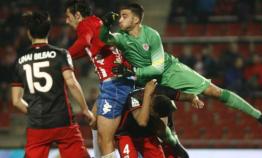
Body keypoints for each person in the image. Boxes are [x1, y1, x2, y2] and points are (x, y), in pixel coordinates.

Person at [100, 3, 262, 131]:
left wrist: (133, 71)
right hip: (148, 82)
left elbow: (158, 68)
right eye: (119, 16)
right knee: (154, 119)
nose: (120, 19)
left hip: (171, 71)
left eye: (124, 16)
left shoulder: (151, 35)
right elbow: (105, 39)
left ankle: (259, 115)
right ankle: (174, 144)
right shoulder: (121, 37)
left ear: (136, 19)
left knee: (215, 92)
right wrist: (105, 25)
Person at [10, 11, 95, 158]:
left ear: (29, 33)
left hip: (38, 125)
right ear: (48, 31)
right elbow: (72, 84)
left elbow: (16, 101)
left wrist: (34, 112)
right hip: (63, 121)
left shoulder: (20, 60)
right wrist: (85, 109)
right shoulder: (60, 54)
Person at [64, 1, 134, 157]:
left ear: (77, 15)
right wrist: (68, 57)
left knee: (105, 139)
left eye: (68, 17)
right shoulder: (97, 23)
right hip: (118, 82)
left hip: (114, 84)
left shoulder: (85, 24)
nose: (66, 21)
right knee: (94, 121)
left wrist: (62, 56)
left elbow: (84, 42)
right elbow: (89, 48)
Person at [116, 79, 203, 158]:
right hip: (126, 134)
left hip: (147, 134)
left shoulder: (164, 92)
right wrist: (147, 94)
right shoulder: (136, 96)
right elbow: (142, 122)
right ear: (152, 109)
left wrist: (194, 98)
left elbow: (184, 96)